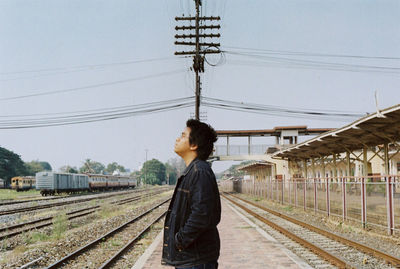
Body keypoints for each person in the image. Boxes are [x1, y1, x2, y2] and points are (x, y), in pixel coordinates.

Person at [162, 119, 221, 269]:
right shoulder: (194, 170)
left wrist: (180, 241)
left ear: (194, 145)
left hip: (196, 260)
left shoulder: (199, 171)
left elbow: (201, 215)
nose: (177, 139)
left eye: (183, 136)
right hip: (192, 258)